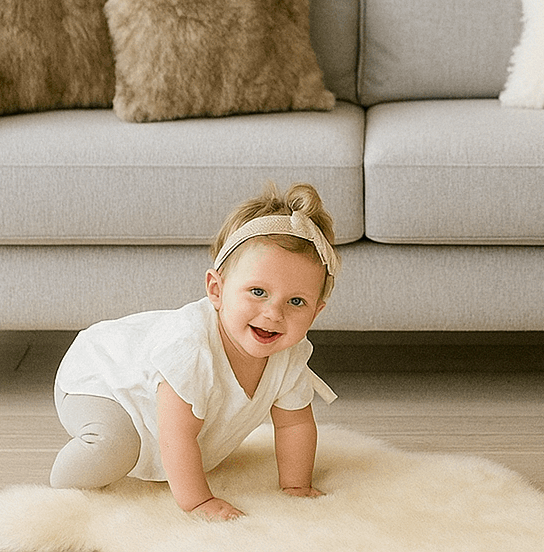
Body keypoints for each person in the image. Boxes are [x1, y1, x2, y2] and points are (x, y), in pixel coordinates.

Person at [49, 182, 340, 520]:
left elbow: (294, 425)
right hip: (104, 380)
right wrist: (198, 501)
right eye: (258, 291)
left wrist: (296, 486)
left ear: (316, 312)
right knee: (117, 445)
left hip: (154, 401)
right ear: (216, 290)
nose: (274, 313)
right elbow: (175, 436)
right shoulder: (191, 347)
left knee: (196, 447)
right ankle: (63, 481)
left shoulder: (289, 354)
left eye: (295, 301)